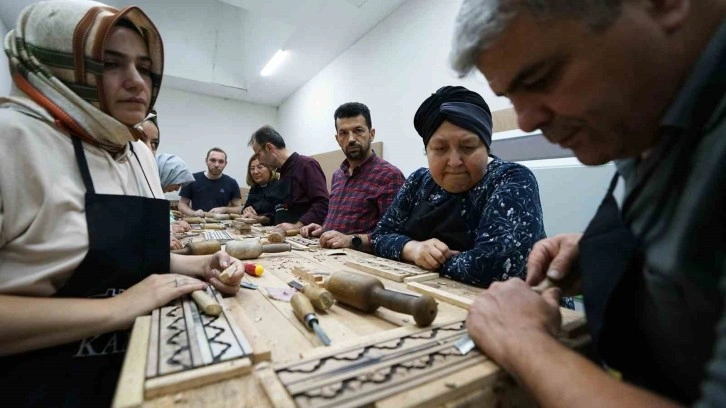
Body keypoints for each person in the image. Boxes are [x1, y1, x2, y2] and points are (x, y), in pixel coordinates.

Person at [452, 0, 726, 406]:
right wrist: (611, 255)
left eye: (542, 77)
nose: (526, 122)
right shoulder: (645, 117)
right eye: (511, 96)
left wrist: (523, 341)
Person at [0, 2, 243, 405]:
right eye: (111, 64)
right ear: (59, 64)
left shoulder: (136, 151)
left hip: (138, 368)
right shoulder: (12, 140)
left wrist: (197, 265)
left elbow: (115, 258)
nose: (137, 83)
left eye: (144, 67)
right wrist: (117, 309)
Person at [371, 86, 546, 287]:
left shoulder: (511, 179)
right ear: (427, 150)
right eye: (440, 149)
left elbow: (495, 266)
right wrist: (415, 250)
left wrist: (431, 261)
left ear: (486, 147)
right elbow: (380, 236)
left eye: (468, 147)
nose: (454, 161)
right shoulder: (418, 181)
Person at [300, 102, 405, 251]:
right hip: (328, 256)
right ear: (337, 139)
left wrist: (350, 240)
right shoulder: (338, 175)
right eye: (343, 133)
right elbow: (342, 223)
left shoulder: (389, 176)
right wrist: (323, 228)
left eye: (358, 131)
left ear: (372, 134)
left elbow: (393, 235)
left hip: (362, 264)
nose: (350, 139)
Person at [248, 125, 329, 229]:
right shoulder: (282, 173)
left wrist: (298, 225)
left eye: (258, 155)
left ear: (269, 148)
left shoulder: (306, 164)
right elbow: (281, 212)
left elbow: (323, 203)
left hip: (302, 238)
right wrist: (260, 219)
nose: (259, 160)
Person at [178, 147, 242, 217]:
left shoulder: (232, 183)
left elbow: (239, 209)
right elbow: (182, 205)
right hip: (197, 223)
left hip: (222, 225)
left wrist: (225, 209)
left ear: (225, 163)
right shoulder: (191, 179)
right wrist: (193, 213)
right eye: (213, 160)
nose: (216, 165)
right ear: (206, 161)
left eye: (221, 161)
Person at [223, 154, 283, 225]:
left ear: (270, 169)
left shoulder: (280, 187)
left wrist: (258, 218)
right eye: (252, 168)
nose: (255, 172)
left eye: (260, 167)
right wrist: (247, 210)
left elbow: (280, 217)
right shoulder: (254, 188)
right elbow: (245, 208)